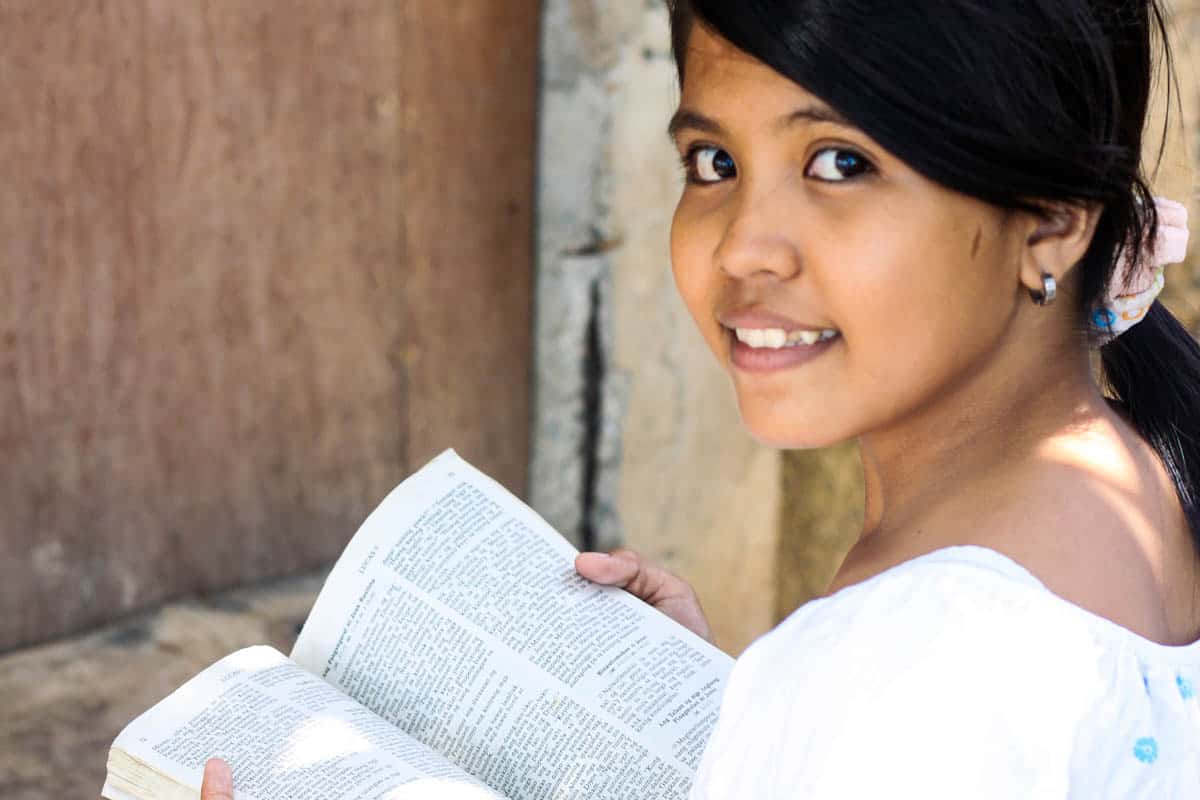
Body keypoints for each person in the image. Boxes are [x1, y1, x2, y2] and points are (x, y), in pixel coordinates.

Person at [202, 0, 1200, 797]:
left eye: (840, 163)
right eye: (714, 163)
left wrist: (820, 701)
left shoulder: (924, 656)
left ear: (1054, 222)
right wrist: (736, 718)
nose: (741, 247)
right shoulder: (1142, 474)